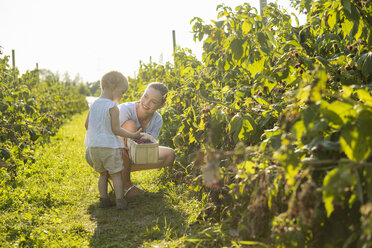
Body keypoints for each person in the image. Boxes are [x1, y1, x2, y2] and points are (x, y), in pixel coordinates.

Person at [84, 71, 142, 210]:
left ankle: (103, 199)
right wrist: (133, 135)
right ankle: (120, 200)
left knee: (103, 174)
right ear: (114, 86)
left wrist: (97, 134)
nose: (122, 96)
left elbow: (86, 125)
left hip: (94, 147)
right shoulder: (112, 107)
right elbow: (116, 129)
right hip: (109, 146)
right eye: (122, 92)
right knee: (116, 174)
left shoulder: (93, 104)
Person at [119, 82, 175, 197]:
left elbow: (148, 150)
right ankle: (126, 186)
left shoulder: (157, 120)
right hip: (112, 152)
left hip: (134, 154)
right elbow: (110, 138)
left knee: (170, 155)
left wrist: (146, 140)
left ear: (161, 106)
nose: (146, 103)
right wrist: (134, 137)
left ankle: (117, 174)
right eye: (145, 96)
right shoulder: (125, 110)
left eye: (153, 102)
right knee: (130, 126)